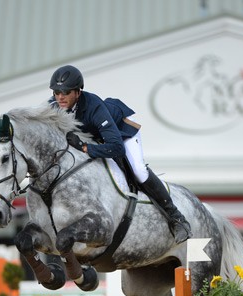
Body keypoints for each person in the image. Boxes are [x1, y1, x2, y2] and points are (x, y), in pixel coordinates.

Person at [48, 65, 191, 244]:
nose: (60, 97)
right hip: (97, 138)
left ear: (78, 92)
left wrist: (85, 148)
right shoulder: (53, 106)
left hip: (121, 135)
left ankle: (176, 218)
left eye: (66, 92)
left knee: (139, 171)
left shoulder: (94, 107)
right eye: (56, 92)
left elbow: (116, 148)